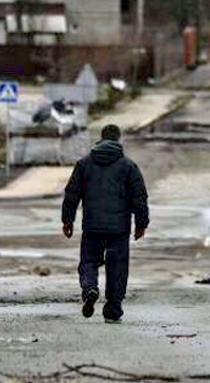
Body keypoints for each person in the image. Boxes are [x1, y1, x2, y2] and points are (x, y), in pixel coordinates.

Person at [62, 124, 150, 322]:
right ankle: (113, 308)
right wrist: (141, 224)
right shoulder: (128, 166)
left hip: (92, 226)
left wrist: (67, 220)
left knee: (89, 261)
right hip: (119, 228)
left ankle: (90, 288)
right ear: (118, 140)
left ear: (100, 139)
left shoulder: (84, 164)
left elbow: (72, 194)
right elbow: (139, 198)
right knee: (117, 267)